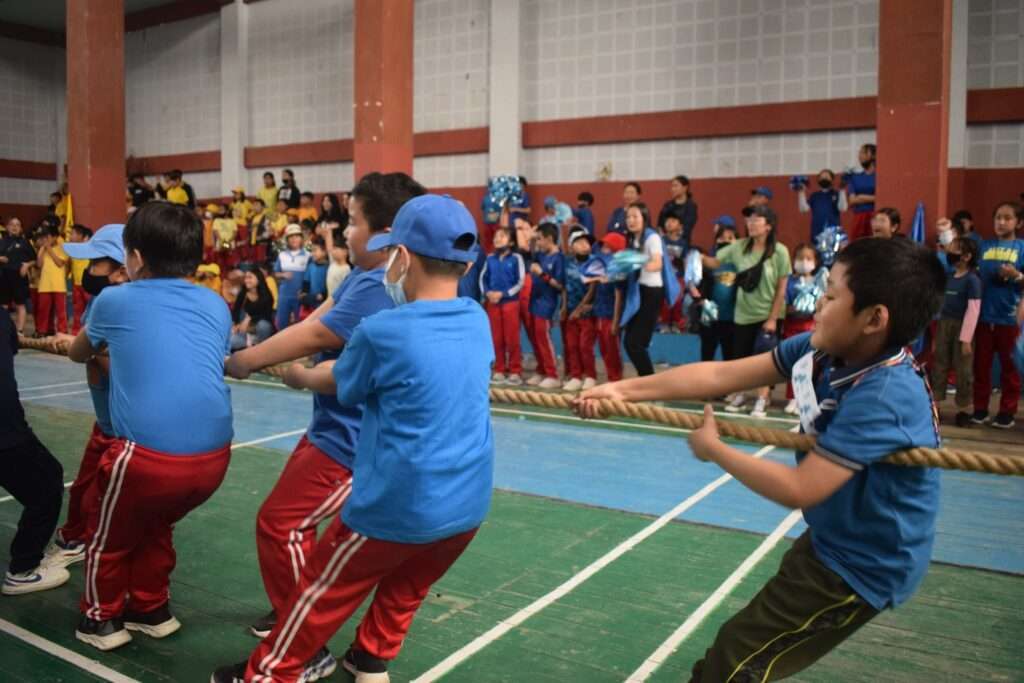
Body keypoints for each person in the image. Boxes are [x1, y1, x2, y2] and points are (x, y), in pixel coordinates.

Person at [574, 237, 947, 683]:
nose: (817, 304)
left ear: (874, 319)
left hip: (865, 565)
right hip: (833, 536)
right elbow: (720, 374)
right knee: (742, 653)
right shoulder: (820, 352)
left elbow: (799, 488)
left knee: (734, 663)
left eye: (830, 296)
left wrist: (715, 449)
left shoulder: (885, 394)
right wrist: (620, 390)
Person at [214, 193, 492, 683]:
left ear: (402, 256)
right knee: (406, 586)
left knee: (322, 590)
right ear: (466, 264)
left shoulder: (384, 330)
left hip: (396, 506)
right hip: (467, 506)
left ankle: (269, 673)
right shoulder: (476, 318)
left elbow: (340, 379)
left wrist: (300, 376)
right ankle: (369, 658)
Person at [223, 172, 424, 652]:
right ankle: (295, 611)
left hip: (351, 442)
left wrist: (247, 360)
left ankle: (301, 644)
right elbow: (320, 316)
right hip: (331, 427)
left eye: (352, 222)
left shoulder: (381, 286)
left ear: (384, 235)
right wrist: (259, 352)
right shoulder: (363, 275)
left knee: (281, 523)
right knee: (294, 525)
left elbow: (318, 335)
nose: (344, 232)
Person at [66, 202, 233, 650]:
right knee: (156, 525)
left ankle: (100, 620)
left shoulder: (114, 300)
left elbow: (79, 353)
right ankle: (151, 608)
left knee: (107, 535)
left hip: (146, 459)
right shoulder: (215, 303)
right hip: (215, 458)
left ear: (135, 258)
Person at [44, 224, 130, 569]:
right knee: (84, 488)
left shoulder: (121, 305)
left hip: (122, 428)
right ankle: (76, 536)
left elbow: (120, 367)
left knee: (104, 494)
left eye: (96, 263)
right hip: (104, 421)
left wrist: (84, 349)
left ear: (122, 269)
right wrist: (78, 341)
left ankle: (90, 542)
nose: (88, 270)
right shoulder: (100, 299)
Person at [0, 310, 69, 595]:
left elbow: (12, 342)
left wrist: (41, 342)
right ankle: (23, 570)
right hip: (6, 431)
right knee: (47, 483)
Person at [704, 205, 791, 418]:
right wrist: (695, 257)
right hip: (743, 314)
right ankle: (741, 395)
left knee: (764, 361)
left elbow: (781, 289)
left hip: (768, 315)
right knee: (741, 360)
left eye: (756, 219)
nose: (750, 224)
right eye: (749, 220)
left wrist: (772, 318)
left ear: (768, 226)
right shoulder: (739, 247)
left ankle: (762, 399)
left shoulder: (780, 252)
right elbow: (715, 261)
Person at [972, 201, 1024, 429]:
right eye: (998, 218)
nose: (1001, 222)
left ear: (1018, 223)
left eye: (1007, 218)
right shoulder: (984, 245)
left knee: (1009, 369)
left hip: (1009, 318)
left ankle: (1007, 412)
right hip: (983, 317)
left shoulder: (1021, 247)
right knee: (980, 367)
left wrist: (1017, 276)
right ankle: (980, 409)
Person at [620, 201, 679, 377]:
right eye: (628, 217)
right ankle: (646, 379)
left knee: (635, 343)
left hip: (652, 294)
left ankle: (649, 380)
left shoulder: (652, 237)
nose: (631, 220)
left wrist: (637, 263)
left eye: (635, 216)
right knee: (630, 343)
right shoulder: (632, 239)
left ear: (644, 218)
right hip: (639, 291)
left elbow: (657, 264)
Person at [930, 236, 981, 428]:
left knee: (963, 371)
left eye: (955, 249)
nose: (950, 252)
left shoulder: (972, 280)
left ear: (967, 256)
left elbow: (973, 311)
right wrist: (936, 335)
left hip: (962, 327)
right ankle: (936, 406)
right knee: (939, 366)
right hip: (944, 325)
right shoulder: (949, 278)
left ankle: (964, 410)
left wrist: (966, 339)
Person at [482, 226, 526, 385]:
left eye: (502, 236)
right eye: (496, 236)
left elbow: (520, 281)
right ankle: (499, 369)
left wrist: (504, 294)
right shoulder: (489, 258)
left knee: (512, 338)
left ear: (511, 242)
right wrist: (488, 293)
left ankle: (515, 371)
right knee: (496, 338)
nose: (497, 238)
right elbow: (483, 279)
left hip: (510, 303)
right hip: (493, 304)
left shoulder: (516, 258)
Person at [781, 243, 822, 414]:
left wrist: (813, 306)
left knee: (809, 364)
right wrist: (796, 307)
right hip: (792, 326)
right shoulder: (789, 281)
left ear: (815, 262)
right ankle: (792, 398)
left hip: (811, 327)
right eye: (800, 258)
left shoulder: (820, 281)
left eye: (808, 258)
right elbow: (784, 303)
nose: (804, 261)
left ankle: (805, 399)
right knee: (793, 362)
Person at [526, 222, 565, 389]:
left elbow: (560, 285)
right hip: (534, 302)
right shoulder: (542, 255)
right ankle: (541, 370)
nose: (539, 243)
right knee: (535, 339)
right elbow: (530, 249)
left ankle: (553, 375)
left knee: (543, 339)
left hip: (547, 305)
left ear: (549, 239)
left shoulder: (559, 258)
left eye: (540, 239)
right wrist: (532, 238)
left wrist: (542, 274)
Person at [563, 229, 599, 390]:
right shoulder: (568, 263)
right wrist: (564, 307)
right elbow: (565, 287)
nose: (584, 245)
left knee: (585, 345)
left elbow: (592, 289)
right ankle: (576, 376)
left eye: (586, 242)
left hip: (587, 312)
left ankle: (590, 376)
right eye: (579, 242)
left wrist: (579, 309)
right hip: (571, 311)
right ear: (571, 247)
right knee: (572, 345)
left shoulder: (594, 262)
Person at [698, 218, 738, 364]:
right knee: (707, 356)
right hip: (710, 318)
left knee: (730, 358)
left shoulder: (740, 266)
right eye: (721, 238)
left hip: (732, 319)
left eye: (730, 238)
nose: (725, 241)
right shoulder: (708, 263)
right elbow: (698, 285)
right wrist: (700, 300)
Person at [590, 232, 627, 383]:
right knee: (604, 348)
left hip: (611, 316)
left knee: (613, 350)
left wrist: (616, 321)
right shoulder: (602, 266)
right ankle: (611, 376)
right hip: (600, 313)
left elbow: (619, 295)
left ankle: (616, 379)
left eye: (606, 246)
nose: (602, 249)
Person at [0, 217, 35, 334]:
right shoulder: (2, 241)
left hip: (19, 278)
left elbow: (34, 260)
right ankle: (3, 330)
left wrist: (27, 265)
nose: (15, 227)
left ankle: (19, 331)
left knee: (20, 304)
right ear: (7, 227)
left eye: (17, 225)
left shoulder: (25, 243)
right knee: (3, 305)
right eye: (12, 224)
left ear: (21, 228)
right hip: (4, 277)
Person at [273, 224, 310, 330]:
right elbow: (275, 274)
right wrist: (282, 275)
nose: (294, 239)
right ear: (287, 240)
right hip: (284, 296)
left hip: (300, 296)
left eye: (297, 236)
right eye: (291, 236)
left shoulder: (308, 256)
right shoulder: (282, 255)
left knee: (301, 326)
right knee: (281, 324)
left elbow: (310, 277)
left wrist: (305, 292)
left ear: (301, 238)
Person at [34, 225, 69, 336]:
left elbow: (59, 263)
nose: (45, 240)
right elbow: (39, 265)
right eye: (44, 237)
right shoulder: (42, 249)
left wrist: (49, 249)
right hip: (44, 284)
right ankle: (43, 331)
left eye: (47, 237)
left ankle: (62, 331)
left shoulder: (62, 248)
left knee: (60, 311)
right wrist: (42, 250)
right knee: (43, 310)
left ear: (55, 237)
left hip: (58, 285)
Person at [230, 268, 275, 350]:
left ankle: (262, 348)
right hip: (244, 334)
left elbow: (267, 316)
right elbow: (236, 311)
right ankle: (249, 345)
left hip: (259, 333)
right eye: (245, 278)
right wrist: (236, 324)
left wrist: (249, 319)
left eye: (250, 277)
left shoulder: (267, 296)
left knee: (263, 325)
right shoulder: (243, 294)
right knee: (231, 342)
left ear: (258, 279)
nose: (246, 280)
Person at [797, 169, 846, 242]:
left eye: (826, 176)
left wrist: (842, 190)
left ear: (832, 180)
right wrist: (801, 192)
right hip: (817, 233)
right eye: (822, 177)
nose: (824, 178)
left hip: (833, 233)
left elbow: (843, 208)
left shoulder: (836, 194)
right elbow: (804, 209)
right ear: (818, 180)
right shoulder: (814, 196)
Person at [656, 175, 698, 247]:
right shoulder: (667, 205)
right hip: (665, 243)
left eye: (676, 186)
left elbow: (687, 227)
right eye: (672, 186)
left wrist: (675, 238)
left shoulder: (691, 206)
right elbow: (659, 225)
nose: (672, 189)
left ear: (685, 188)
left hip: (682, 244)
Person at [847, 143, 877, 241]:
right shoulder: (855, 177)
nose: (860, 156)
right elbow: (852, 200)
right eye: (859, 153)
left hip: (875, 216)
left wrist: (861, 197)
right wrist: (872, 198)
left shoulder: (879, 176)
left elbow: (882, 197)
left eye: (864, 152)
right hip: (859, 217)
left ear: (873, 155)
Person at [67, 224, 93, 336]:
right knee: (77, 311)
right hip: (77, 286)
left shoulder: (90, 250)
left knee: (90, 310)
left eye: (72, 234)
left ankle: (90, 333)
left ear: (82, 236)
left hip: (88, 286)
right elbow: (71, 269)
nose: (70, 236)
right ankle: (76, 333)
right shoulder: (72, 251)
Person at [299, 238, 330, 319]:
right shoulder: (311, 266)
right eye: (312, 251)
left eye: (315, 250)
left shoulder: (329, 267)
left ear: (324, 252)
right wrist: (304, 293)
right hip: (312, 302)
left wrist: (323, 295)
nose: (312, 253)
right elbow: (306, 281)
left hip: (324, 304)